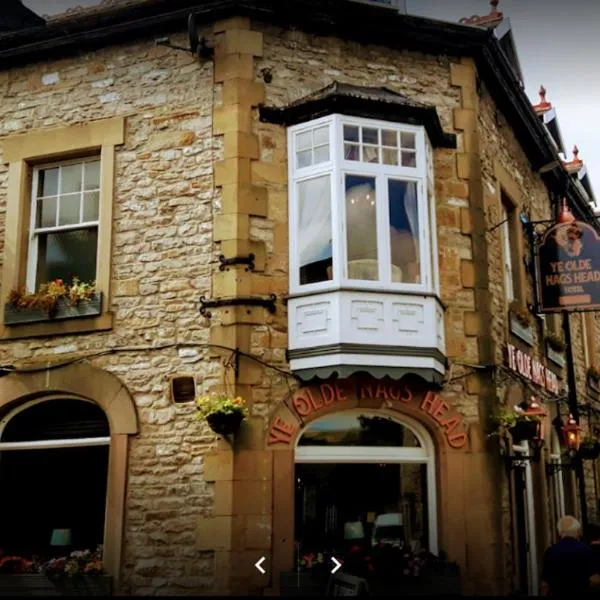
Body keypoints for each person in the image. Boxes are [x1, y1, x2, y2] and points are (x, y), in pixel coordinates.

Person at [540, 515, 600, 597]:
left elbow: (545, 585)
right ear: (577, 531)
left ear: (559, 532)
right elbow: (595, 580)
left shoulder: (550, 551)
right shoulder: (587, 550)